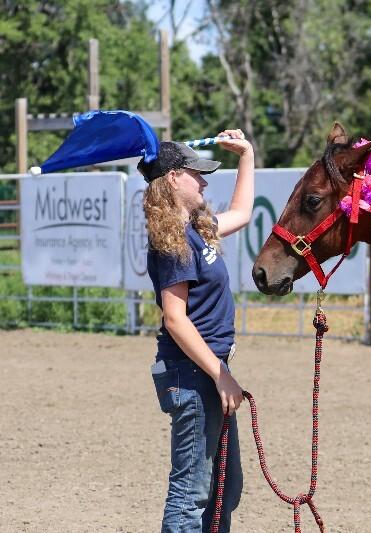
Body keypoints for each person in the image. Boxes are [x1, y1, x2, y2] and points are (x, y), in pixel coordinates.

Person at [140, 130, 254, 532]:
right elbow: (175, 318)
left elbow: (242, 212)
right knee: (191, 493)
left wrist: (246, 154)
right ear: (173, 178)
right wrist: (221, 374)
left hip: (203, 371)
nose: (204, 182)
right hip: (194, 375)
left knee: (225, 487)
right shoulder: (172, 241)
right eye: (196, 174)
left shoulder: (193, 231)